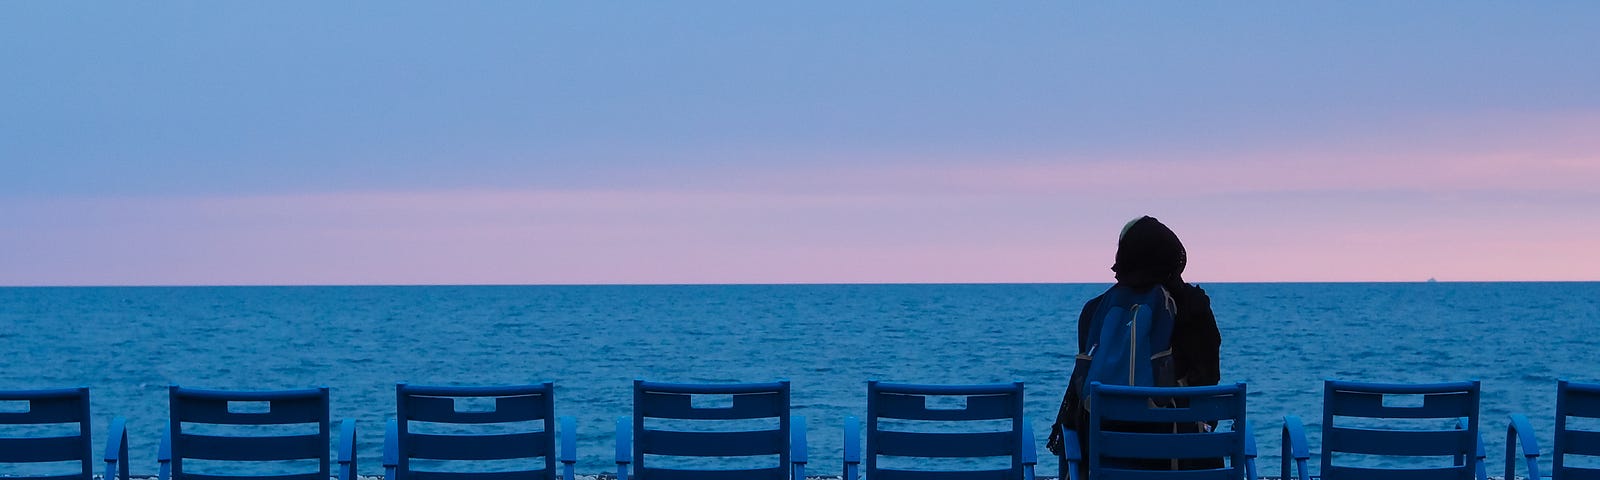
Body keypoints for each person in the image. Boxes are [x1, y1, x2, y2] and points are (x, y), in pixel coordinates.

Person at [1047, 215, 1222, 474]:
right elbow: (1209, 391)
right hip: (1181, 465)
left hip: (1106, 464)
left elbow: (1081, 391)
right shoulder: (1194, 308)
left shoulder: (1096, 311)